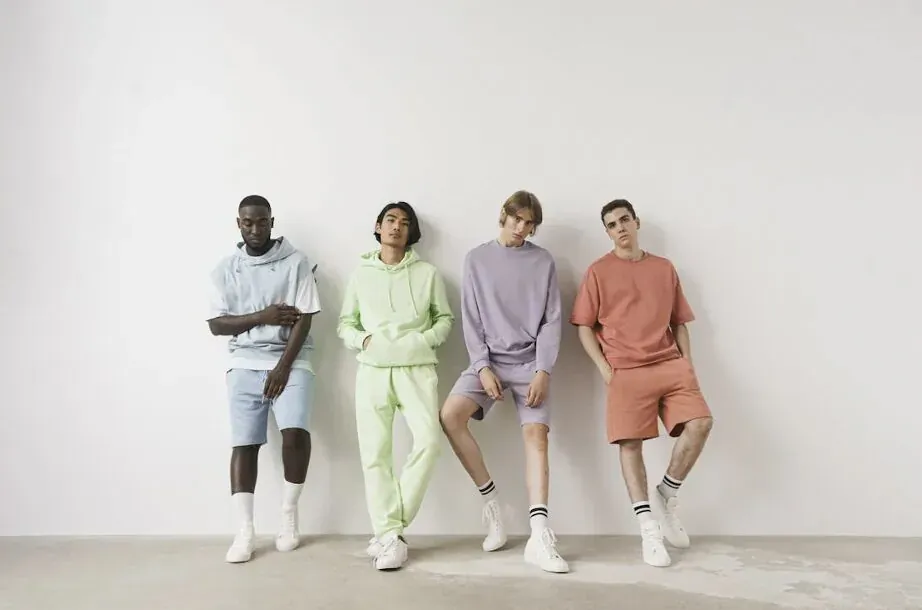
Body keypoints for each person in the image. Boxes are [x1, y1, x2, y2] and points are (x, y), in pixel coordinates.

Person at [570, 198, 714, 568]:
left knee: (700, 424)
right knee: (629, 444)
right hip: (625, 371)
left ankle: (667, 492)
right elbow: (584, 325)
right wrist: (604, 368)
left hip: (669, 363)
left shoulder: (664, 269)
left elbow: (679, 320)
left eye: (623, 220)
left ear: (636, 222)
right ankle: (648, 527)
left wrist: (687, 362)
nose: (619, 228)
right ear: (607, 232)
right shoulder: (598, 271)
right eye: (611, 225)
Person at [439, 191, 569, 574]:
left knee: (536, 436)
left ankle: (539, 532)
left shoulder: (543, 261)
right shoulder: (476, 260)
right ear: (504, 215)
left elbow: (552, 319)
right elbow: (471, 318)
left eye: (530, 225)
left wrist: (544, 369)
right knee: (450, 416)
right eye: (519, 220)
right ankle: (493, 506)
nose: (523, 229)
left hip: (531, 362)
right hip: (490, 362)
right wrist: (481, 366)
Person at [337, 201, 453, 571]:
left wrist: (423, 341)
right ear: (378, 226)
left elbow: (445, 320)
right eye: (390, 220)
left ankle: (390, 529)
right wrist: (365, 342)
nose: (397, 227)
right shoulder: (360, 274)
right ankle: (390, 535)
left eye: (404, 223)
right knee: (375, 454)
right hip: (372, 369)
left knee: (430, 442)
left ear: (411, 231)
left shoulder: (429, 273)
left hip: (417, 368)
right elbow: (345, 324)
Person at [206, 194, 322, 563]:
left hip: (291, 360)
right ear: (238, 224)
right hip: (244, 363)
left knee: (295, 434)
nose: (255, 229)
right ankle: (245, 530)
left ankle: (289, 514)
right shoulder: (225, 269)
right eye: (247, 222)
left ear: (273, 222)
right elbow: (216, 325)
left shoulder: (297, 262)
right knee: (244, 444)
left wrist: (283, 368)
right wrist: (264, 316)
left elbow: (305, 317)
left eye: (261, 221)